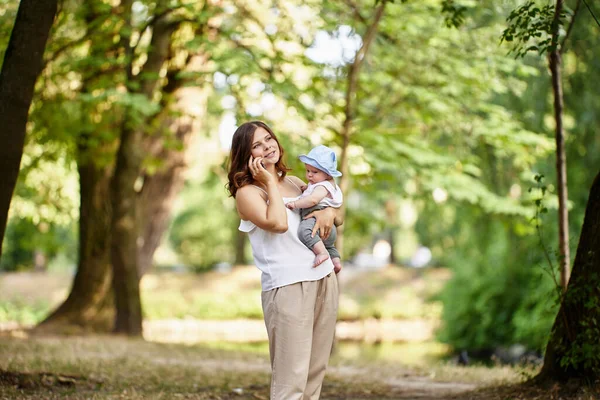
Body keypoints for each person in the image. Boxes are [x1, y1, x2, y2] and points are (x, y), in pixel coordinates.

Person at [227, 121, 342, 400]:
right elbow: (277, 223)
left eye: (269, 139)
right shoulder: (248, 194)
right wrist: (268, 181)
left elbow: (335, 214)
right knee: (291, 380)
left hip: (324, 278)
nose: (267, 146)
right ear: (246, 154)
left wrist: (328, 215)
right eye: (257, 144)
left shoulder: (295, 182)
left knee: (315, 373)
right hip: (288, 287)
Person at [285, 145, 343, 273]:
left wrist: (295, 204)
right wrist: (308, 189)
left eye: (314, 172)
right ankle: (336, 262)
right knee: (330, 245)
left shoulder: (322, 186)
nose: (309, 175)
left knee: (305, 231)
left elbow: (313, 200)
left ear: (327, 175)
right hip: (329, 229)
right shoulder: (318, 184)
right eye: (308, 171)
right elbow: (312, 191)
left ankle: (322, 253)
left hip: (315, 221)